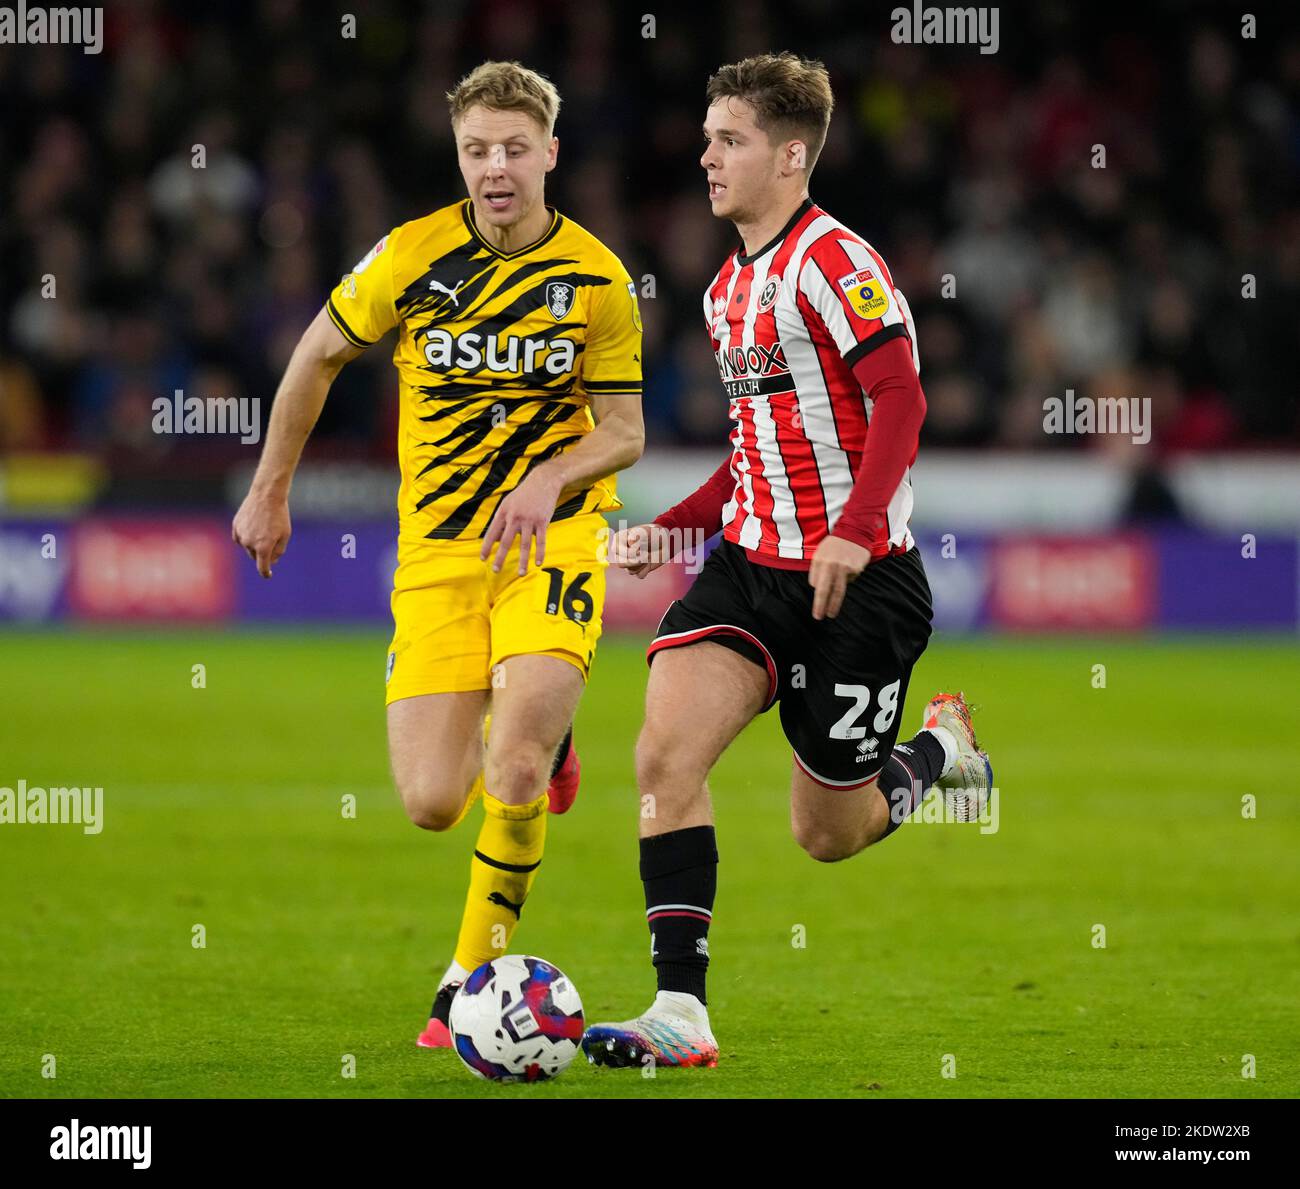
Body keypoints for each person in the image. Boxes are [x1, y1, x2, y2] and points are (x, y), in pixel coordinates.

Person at [583, 53, 991, 1069]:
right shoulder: (728, 290)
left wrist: (852, 528)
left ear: (790, 154)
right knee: (663, 757)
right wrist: (671, 532)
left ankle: (943, 752)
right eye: (708, 136)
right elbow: (756, 453)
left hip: (862, 582)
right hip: (750, 573)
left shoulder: (834, 261)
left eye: (729, 139)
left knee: (830, 833)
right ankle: (680, 1010)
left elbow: (900, 399)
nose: (706, 156)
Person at [232, 60, 644, 1049]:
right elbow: (316, 355)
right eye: (475, 150)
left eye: (513, 148)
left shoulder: (596, 277)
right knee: (429, 801)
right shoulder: (412, 257)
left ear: (549, 152)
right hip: (438, 556)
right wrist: (270, 486)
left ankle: (464, 980)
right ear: (458, 156)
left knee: (512, 762)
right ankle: (540, 734)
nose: (494, 167)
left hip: (554, 541)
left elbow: (624, 427)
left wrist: (549, 479)